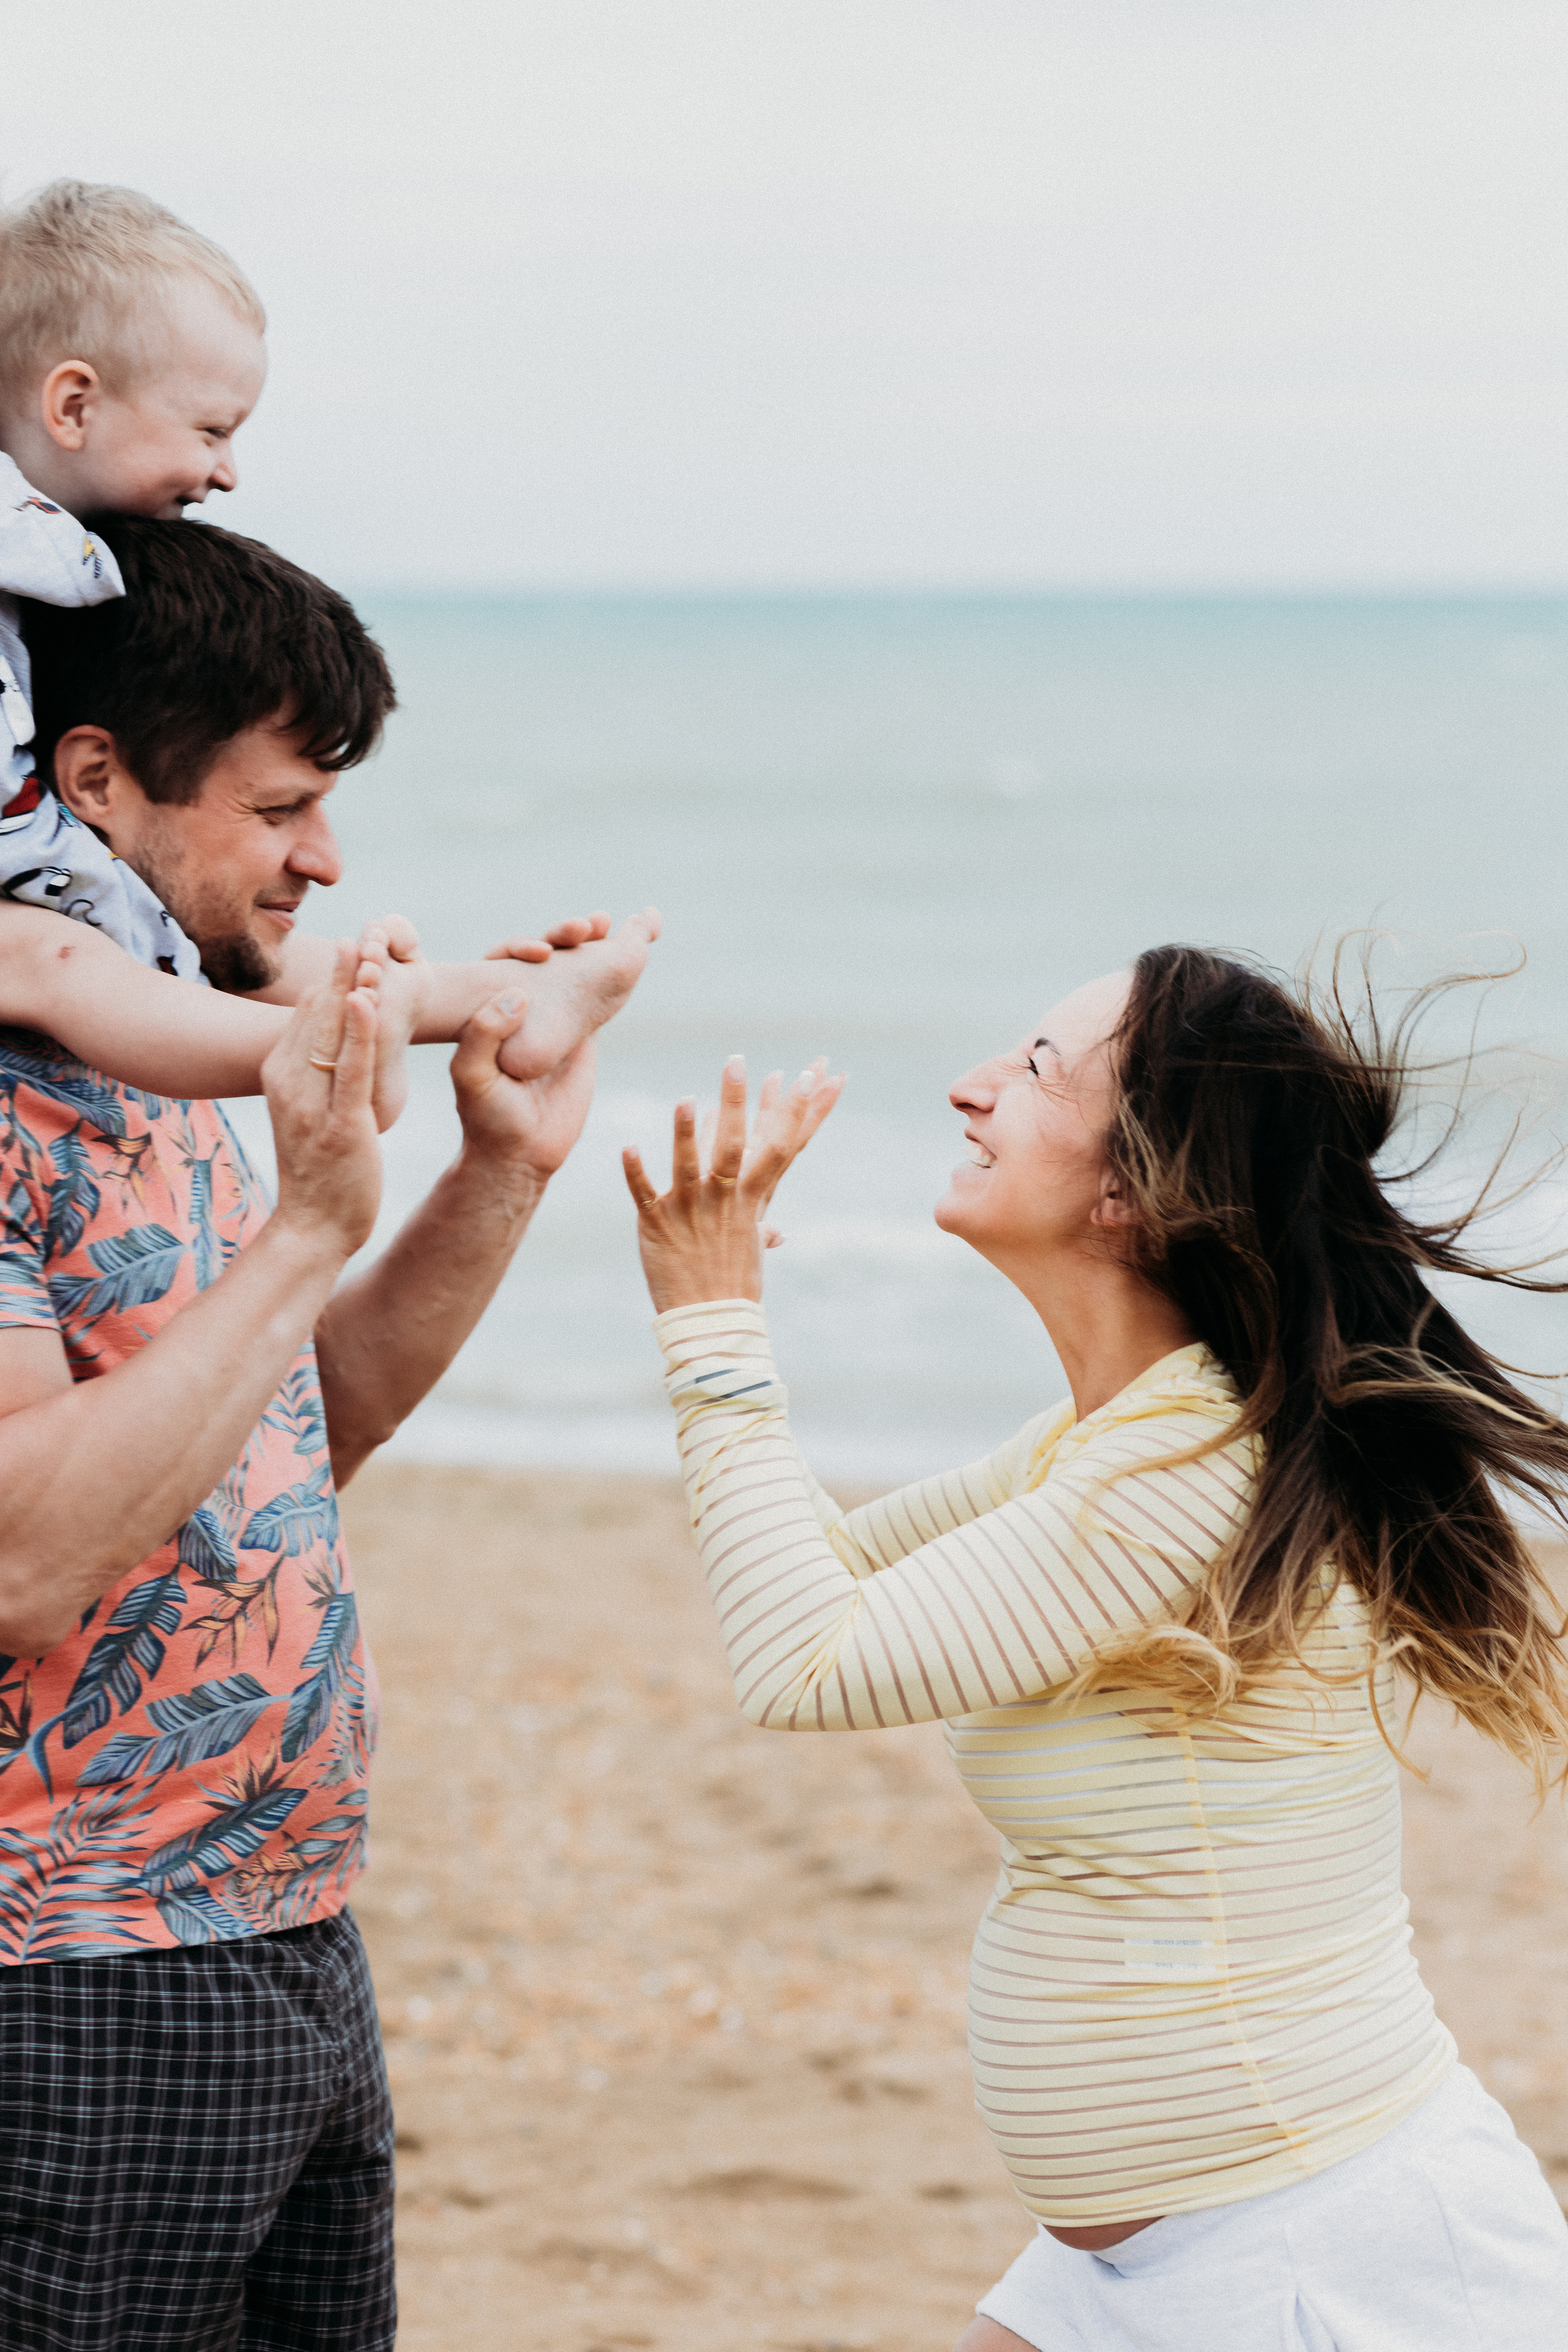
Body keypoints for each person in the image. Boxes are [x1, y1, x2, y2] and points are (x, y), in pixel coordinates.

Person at [623, 951, 1568, 2351]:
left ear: (1133, 1188)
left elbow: (801, 1663)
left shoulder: (1185, 1466)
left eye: (1035, 1067)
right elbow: (821, 1585)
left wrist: (712, 1327)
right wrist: (712, 1332)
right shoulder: (1122, 1438)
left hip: (1316, 2247)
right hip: (1166, 2252)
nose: (968, 1086)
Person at [0, 522, 600, 2349]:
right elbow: (25, 1556)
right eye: (283, 808)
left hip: (290, 1933)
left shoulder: (166, 1039)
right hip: (68, 1976)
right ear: (94, 776)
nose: (325, 858)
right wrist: (308, 1229)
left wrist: (497, 1170)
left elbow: (276, 1442)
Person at [0, 176, 657, 1086]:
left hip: (49, 866)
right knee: (55, 959)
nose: (227, 473)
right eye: (211, 430)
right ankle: (335, 1051)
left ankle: (483, 997)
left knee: (222, 942)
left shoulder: (59, 572)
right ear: (72, 406)